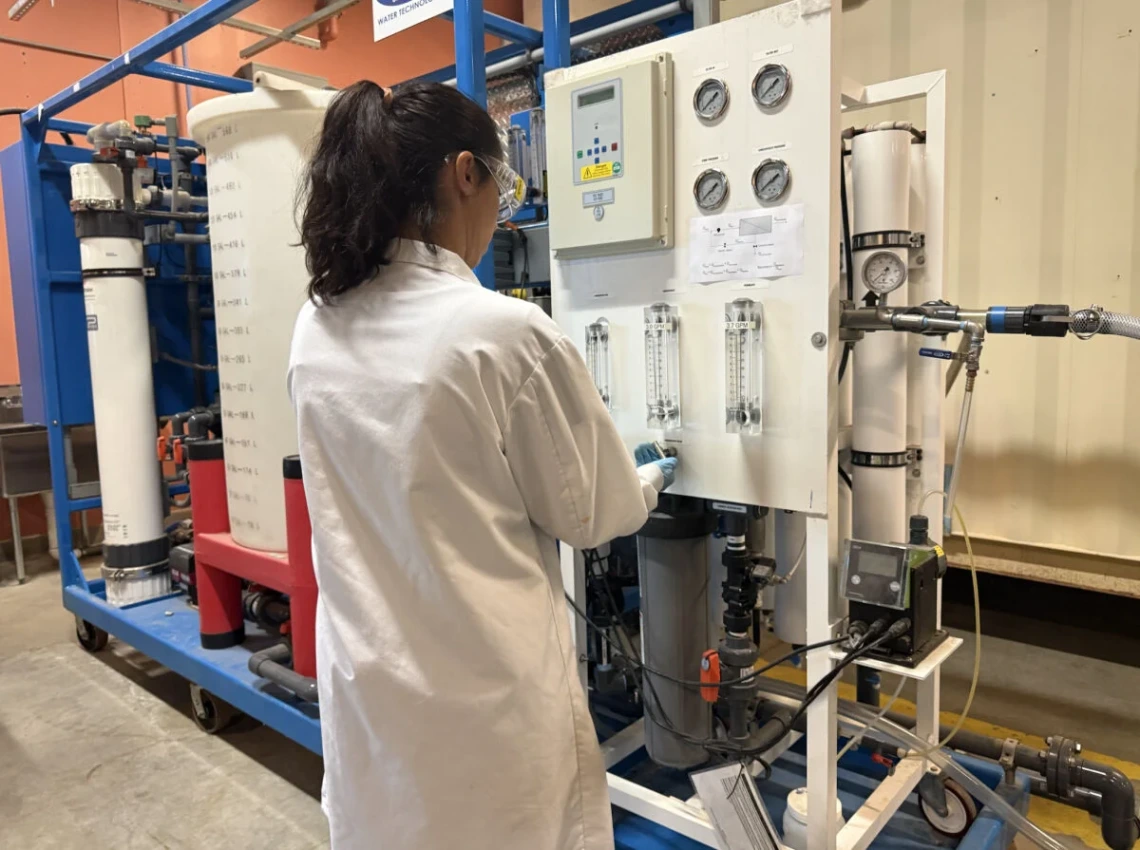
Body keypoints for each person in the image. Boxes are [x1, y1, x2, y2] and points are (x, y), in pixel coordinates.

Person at [288, 80, 678, 850]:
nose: (500, 207)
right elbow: (594, 514)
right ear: (466, 173)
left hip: (371, 691)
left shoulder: (317, 323)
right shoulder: (501, 333)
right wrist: (653, 471)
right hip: (486, 705)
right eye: (504, 185)